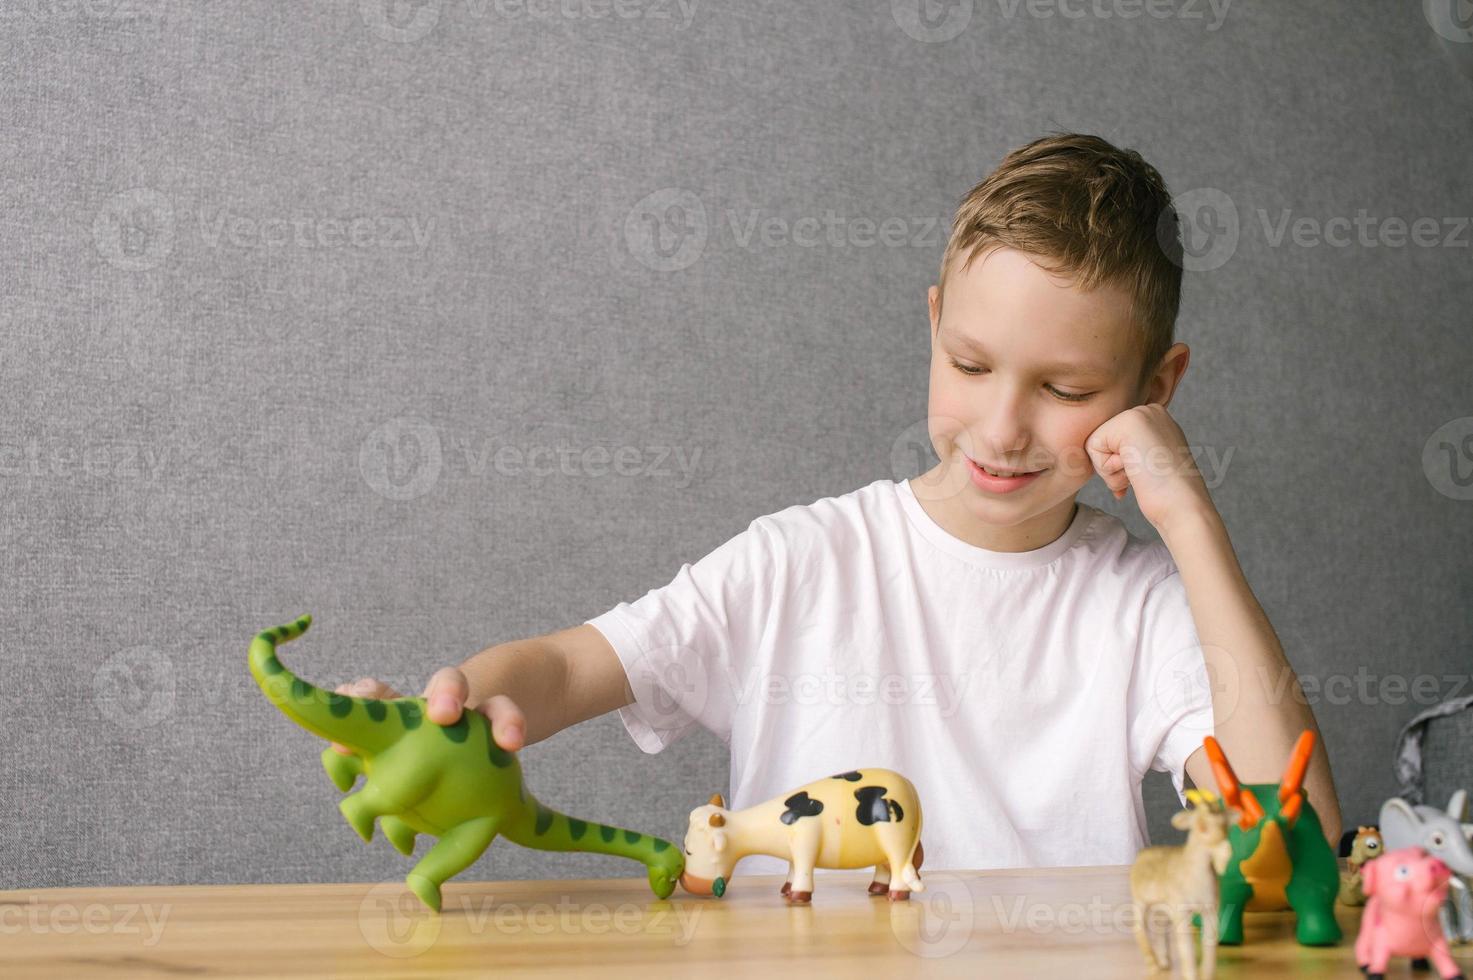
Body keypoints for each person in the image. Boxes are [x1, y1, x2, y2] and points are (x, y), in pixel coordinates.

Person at [333, 132, 1341, 876]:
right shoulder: (799, 562)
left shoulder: (1146, 606)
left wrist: (1192, 523)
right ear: (935, 323)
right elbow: (567, 664)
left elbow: (1304, 852)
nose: (1000, 426)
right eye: (971, 363)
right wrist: (455, 698)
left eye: (1065, 389)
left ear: (1154, 389)